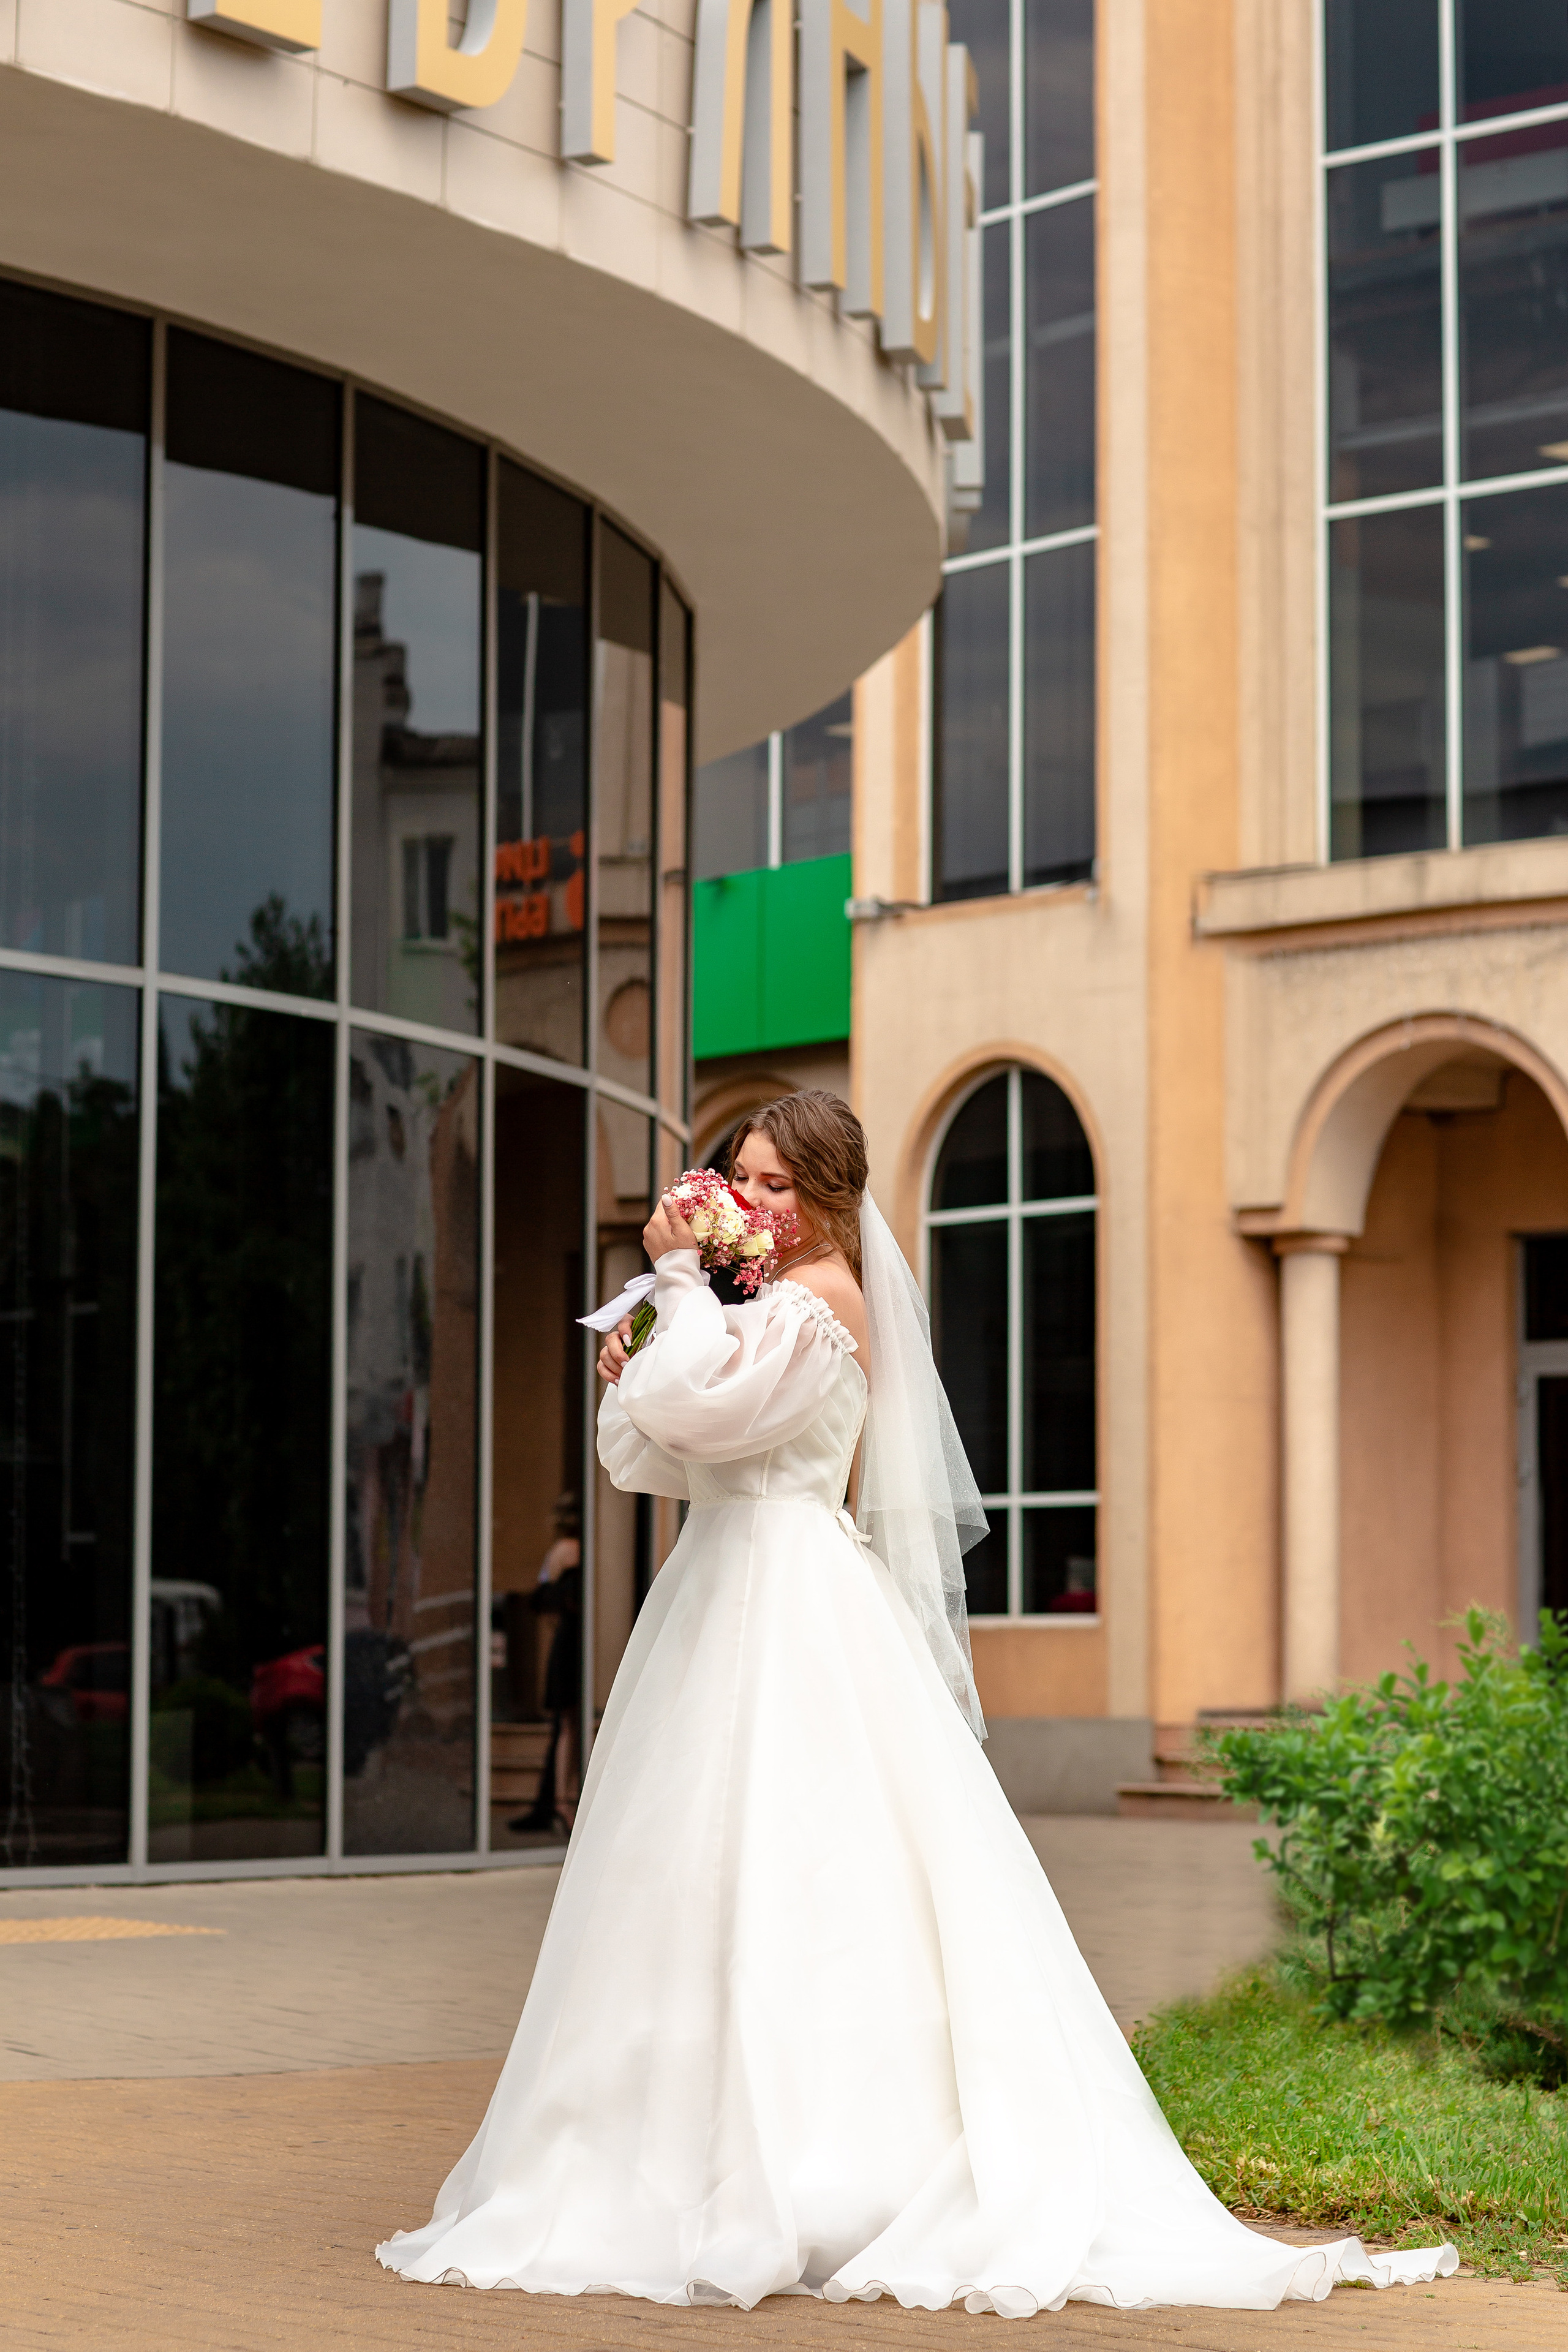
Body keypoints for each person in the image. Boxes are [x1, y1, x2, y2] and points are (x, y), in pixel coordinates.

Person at [377, 1091, 1456, 2315]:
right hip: (717, 1587)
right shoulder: (753, 1308)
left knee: (809, 1868)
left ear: (833, 1196)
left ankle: (816, 2163)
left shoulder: (822, 1303)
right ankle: (659, 2143)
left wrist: (674, 1287)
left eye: (780, 1186)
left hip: (789, 1600)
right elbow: (658, 1454)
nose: (757, 1206)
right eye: (744, 1181)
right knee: (687, 1873)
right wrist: (641, 1351)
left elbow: (699, 1413)